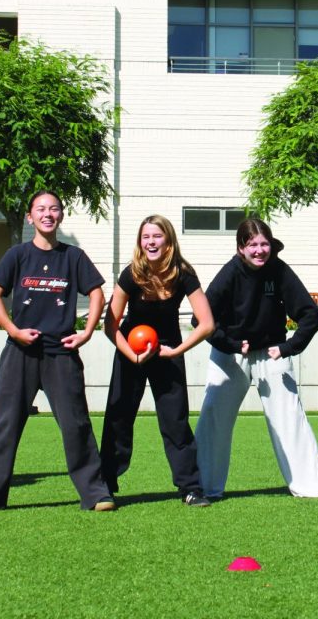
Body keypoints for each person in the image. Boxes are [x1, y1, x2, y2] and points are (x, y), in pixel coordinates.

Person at [0, 191, 114, 513]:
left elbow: (97, 292)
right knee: (4, 424)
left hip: (61, 354)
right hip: (20, 353)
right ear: (30, 218)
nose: (47, 214)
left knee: (76, 425)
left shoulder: (74, 257)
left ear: (61, 216)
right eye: (40, 209)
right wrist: (14, 330)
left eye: (54, 209)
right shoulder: (17, 255)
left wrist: (85, 333)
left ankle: (95, 494)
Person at [195, 219, 318, 499]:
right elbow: (202, 319)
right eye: (253, 245)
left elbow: (310, 315)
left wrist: (288, 347)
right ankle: (202, 486)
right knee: (214, 414)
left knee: (290, 416)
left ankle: (316, 484)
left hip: (273, 352)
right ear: (241, 249)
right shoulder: (229, 274)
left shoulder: (279, 270)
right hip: (231, 353)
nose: (260, 250)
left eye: (265, 244)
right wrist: (232, 344)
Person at [100, 215, 215, 506]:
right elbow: (110, 325)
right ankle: (104, 485)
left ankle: (190, 488)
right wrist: (132, 356)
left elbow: (207, 323)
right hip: (131, 352)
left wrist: (176, 351)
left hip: (167, 353)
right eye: (146, 237)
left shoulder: (183, 273)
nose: (151, 242)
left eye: (157, 236)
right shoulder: (131, 273)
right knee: (119, 418)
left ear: (168, 241)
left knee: (175, 421)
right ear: (140, 242)